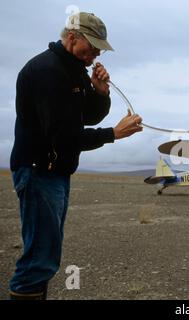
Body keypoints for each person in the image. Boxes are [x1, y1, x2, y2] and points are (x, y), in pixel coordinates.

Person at [9, 12, 143, 299]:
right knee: (38, 260)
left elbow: (87, 117)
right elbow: (64, 137)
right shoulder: (47, 72)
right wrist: (114, 133)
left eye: (99, 48)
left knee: (46, 255)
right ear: (72, 37)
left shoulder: (74, 71)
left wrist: (100, 92)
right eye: (92, 45)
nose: (96, 53)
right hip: (37, 172)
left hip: (54, 172)